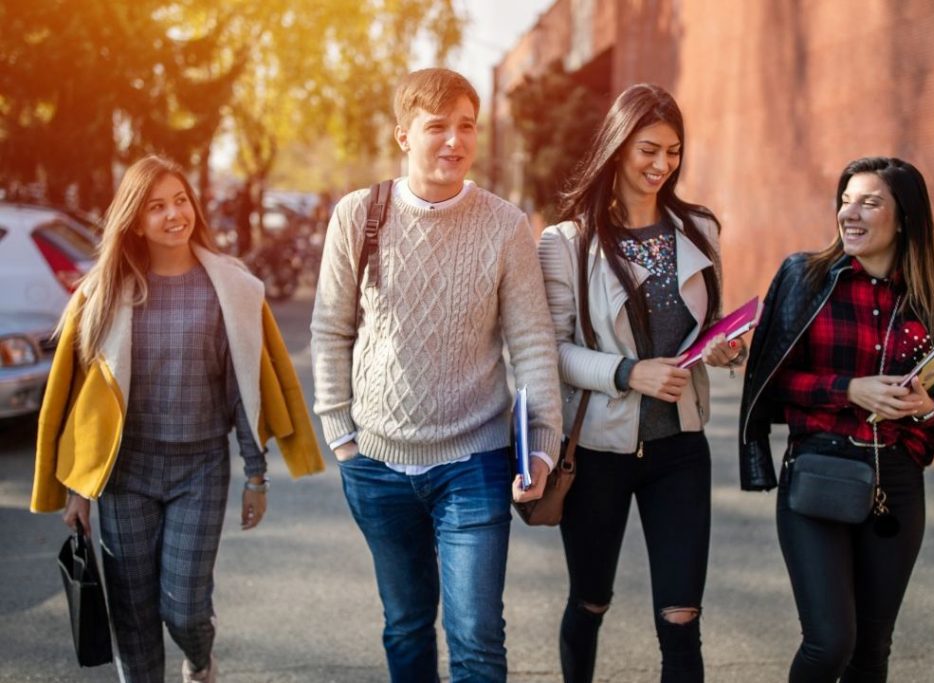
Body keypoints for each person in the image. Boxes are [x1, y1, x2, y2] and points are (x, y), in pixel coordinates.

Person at [310, 67, 562, 683]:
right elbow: (330, 328)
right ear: (403, 135)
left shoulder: (505, 226)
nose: (454, 141)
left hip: (474, 460)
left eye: (467, 127)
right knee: (405, 624)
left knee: (476, 637)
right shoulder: (357, 215)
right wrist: (341, 433)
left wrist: (544, 444)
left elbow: (531, 342)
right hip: (376, 464)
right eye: (437, 127)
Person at [31, 155, 324, 683]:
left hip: (199, 470)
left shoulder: (230, 288)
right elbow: (82, 401)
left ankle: (199, 660)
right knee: (133, 618)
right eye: (156, 207)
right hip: (125, 475)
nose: (173, 215)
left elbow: (244, 388)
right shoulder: (105, 294)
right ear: (135, 220)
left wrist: (256, 476)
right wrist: (78, 488)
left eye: (180, 201)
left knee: (185, 610)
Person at [739, 156, 934, 681]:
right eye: (846, 200)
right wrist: (850, 390)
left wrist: (927, 407)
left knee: (871, 652)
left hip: (897, 486)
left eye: (869, 202)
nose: (850, 213)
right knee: (829, 643)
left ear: (904, 219)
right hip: (817, 475)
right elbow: (770, 383)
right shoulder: (804, 279)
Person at [537, 83, 744, 683]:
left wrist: (725, 350)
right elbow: (552, 352)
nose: (662, 165)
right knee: (590, 600)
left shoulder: (700, 228)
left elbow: (709, 329)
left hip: (680, 449)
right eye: (649, 149)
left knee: (681, 615)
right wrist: (629, 372)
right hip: (598, 452)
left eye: (674, 152)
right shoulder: (567, 243)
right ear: (618, 146)